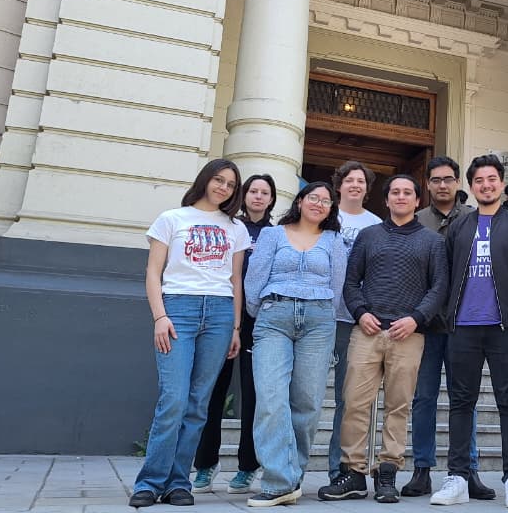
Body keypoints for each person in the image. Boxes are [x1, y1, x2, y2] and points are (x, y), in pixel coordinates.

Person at [318, 174, 449, 503]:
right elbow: (350, 282)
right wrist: (361, 312)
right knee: (354, 404)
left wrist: (417, 318)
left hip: (409, 334)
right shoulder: (368, 236)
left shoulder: (433, 242)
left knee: (398, 407)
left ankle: (388, 472)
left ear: (418, 201)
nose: (402, 197)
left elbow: (439, 288)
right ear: (386, 200)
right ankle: (354, 473)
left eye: (408, 193)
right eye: (395, 192)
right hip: (368, 331)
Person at [130, 159, 252, 508]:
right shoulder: (172, 219)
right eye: (219, 180)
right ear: (205, 180)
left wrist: (235, 326)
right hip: (178, 311)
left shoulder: (236, 228)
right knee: (174, 399)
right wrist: (159, 317)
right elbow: (154, 273)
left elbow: (236, 280)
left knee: (198, 404)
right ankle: (150, 482)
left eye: (230, 184)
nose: (224, 188)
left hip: (218, 312)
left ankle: (178, 482)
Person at [431, 154, 508, 509]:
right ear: (470, 187)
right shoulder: (460, 226)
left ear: (501, 184)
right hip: (463, 326)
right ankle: (457, 476)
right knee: (461, 402)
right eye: (479, 181)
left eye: (492, 179)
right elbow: (445, 272)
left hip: (505, 327)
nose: (486, 185)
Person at [244, 182, 347, 507]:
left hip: (318, 321)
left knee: (307, 402)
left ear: (331, 209)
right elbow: (254, 280)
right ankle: (278, 481)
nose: (319, 203)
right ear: (300, 201)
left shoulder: (334, 241)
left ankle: (292, 477)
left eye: (326, 201)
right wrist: (266, 310)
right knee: (271, 397)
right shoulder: (274, 235)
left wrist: (321, 313)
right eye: (313, 197)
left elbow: (337, 285)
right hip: (274, 316)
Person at [405, 156, 492, 499]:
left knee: (464, 399)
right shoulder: (416, 221)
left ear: (458, 184)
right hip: (423, 326)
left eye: (449, 179)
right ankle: (422, 469)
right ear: (427, 184)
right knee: (423, 398)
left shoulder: (475, 218)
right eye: (436, 180)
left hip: (463, 325)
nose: (442, 185)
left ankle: (468, 470)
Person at [191, 174, 276, 495]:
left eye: (264, 192)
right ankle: (204, 464)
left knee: (253, 396)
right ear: (244, 194)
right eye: (252, 190)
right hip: (223, 317)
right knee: (213, 392)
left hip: (260, 323)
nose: (257, 196)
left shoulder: (276, 233)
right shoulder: (229, 226)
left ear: (271, 200)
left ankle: (247, 467)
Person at [328, 161, 384, 479]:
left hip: (355, 320)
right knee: (301, 396)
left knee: (347, 399)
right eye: (349, 180)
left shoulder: (375, 224)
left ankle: (340, 467)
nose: (355, 185)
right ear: (339, 185)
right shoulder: (323, 213)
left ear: (367, 187)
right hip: (320, 315)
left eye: (360, 181)